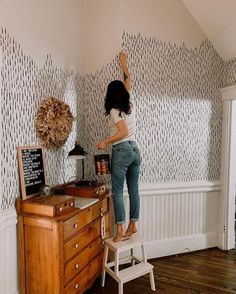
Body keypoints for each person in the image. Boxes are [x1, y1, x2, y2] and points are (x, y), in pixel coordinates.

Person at [97, 52, 141, 242]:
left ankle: (120, 229)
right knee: (133, 189)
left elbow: (122, 132)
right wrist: (123, 63)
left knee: (116, 190)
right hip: (135, 150)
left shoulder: (115, 110)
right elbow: (129, 79)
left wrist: (105, 142)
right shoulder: (127, 102)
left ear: (110, 95)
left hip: (122, 149)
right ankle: (133, 224)